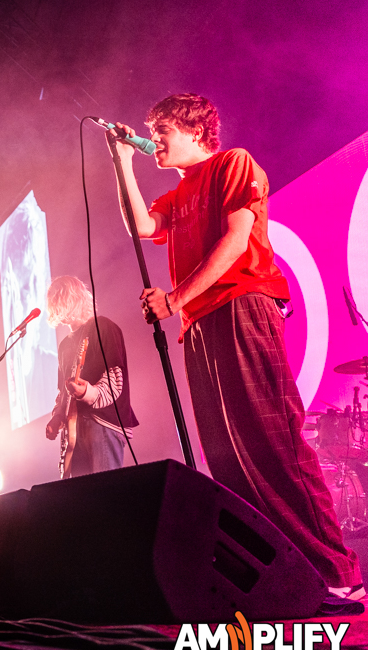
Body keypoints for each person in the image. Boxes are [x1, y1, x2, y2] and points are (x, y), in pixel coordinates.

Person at [109, 92, 362, 598]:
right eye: (151, 132)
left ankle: (338, 574)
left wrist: (174, 298)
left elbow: (236, 239)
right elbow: (141, 226)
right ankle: (278, 576)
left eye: (162, 130)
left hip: (242, 305)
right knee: (225, 457)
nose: (153, 140)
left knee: (274, 443)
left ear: (195, 131)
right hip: (199, 323)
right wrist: (122, 163)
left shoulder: (232, 164)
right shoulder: (177, 195)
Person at [44, 276, 138, 477]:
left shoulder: (103, 327)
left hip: (102, 423)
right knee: (81, 494)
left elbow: (115, 379)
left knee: (103, 491)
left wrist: (87, 392)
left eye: (61, 299)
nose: (57, 308)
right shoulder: (64, 346)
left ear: (74, 298)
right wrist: (57, 417)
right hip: (74, 428)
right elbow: (62, 393)